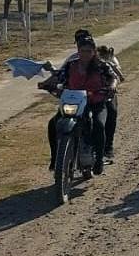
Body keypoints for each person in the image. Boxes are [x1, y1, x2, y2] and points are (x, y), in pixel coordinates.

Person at [46, 37, 116, 175]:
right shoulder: (71, 65)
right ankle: (55, 159)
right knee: (53, 124)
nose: (85, 54)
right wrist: (48, 84)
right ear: (78, 51)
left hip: (95, 102)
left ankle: (99, 160)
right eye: (83, 51)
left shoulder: (102, 66)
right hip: (74, 103)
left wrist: (112, 86)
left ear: (94, 52)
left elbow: (112, 78)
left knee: (98, 124)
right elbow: (59, 76)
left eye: (89, 51)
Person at [96, 45, 126, 163]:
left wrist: (113, 85)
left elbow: (115, 75)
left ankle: (108, 147)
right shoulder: (73, 60)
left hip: (105, 93)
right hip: (85, 95)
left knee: (111, 113)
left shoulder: (106, 62)